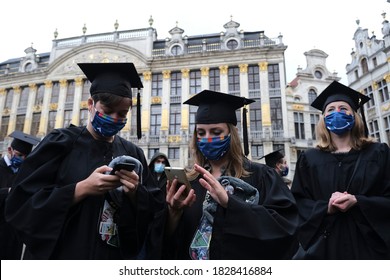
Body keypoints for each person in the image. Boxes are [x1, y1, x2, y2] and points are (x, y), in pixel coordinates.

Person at [5, 63, 165, 260]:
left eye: (122, 114)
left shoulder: (133, 154)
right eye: (107, 110)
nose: (115, 118)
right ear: (91, 104)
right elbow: (22, 203)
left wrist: (134, 194)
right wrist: (81, 189)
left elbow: (154, 212)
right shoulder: (61, 143)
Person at [164, 90, 299, 260]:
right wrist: (173, 212)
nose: (208, 138)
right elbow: (170, 242)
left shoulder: (261, 176)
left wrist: (230, 203)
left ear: (231, 134)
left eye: (216, 132)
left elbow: (285, 227)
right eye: (201, 133)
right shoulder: (190, 180)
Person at [291, 80, 390, 259]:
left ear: (355, 115)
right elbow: (299, 203)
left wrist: (358, 201)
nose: (337, 113)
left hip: (370, 248)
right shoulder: (310, 159)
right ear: (323, 119)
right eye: (330, 110)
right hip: (326, 248)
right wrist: (326, 208)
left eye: (344, 108)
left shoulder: (378, 153)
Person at [0, 131, 40, 259]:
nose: (22, 159)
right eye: (19, 155)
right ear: (9, 150)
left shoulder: (24, 173)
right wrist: (8, 192)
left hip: (14, 231)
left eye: (25, 156)